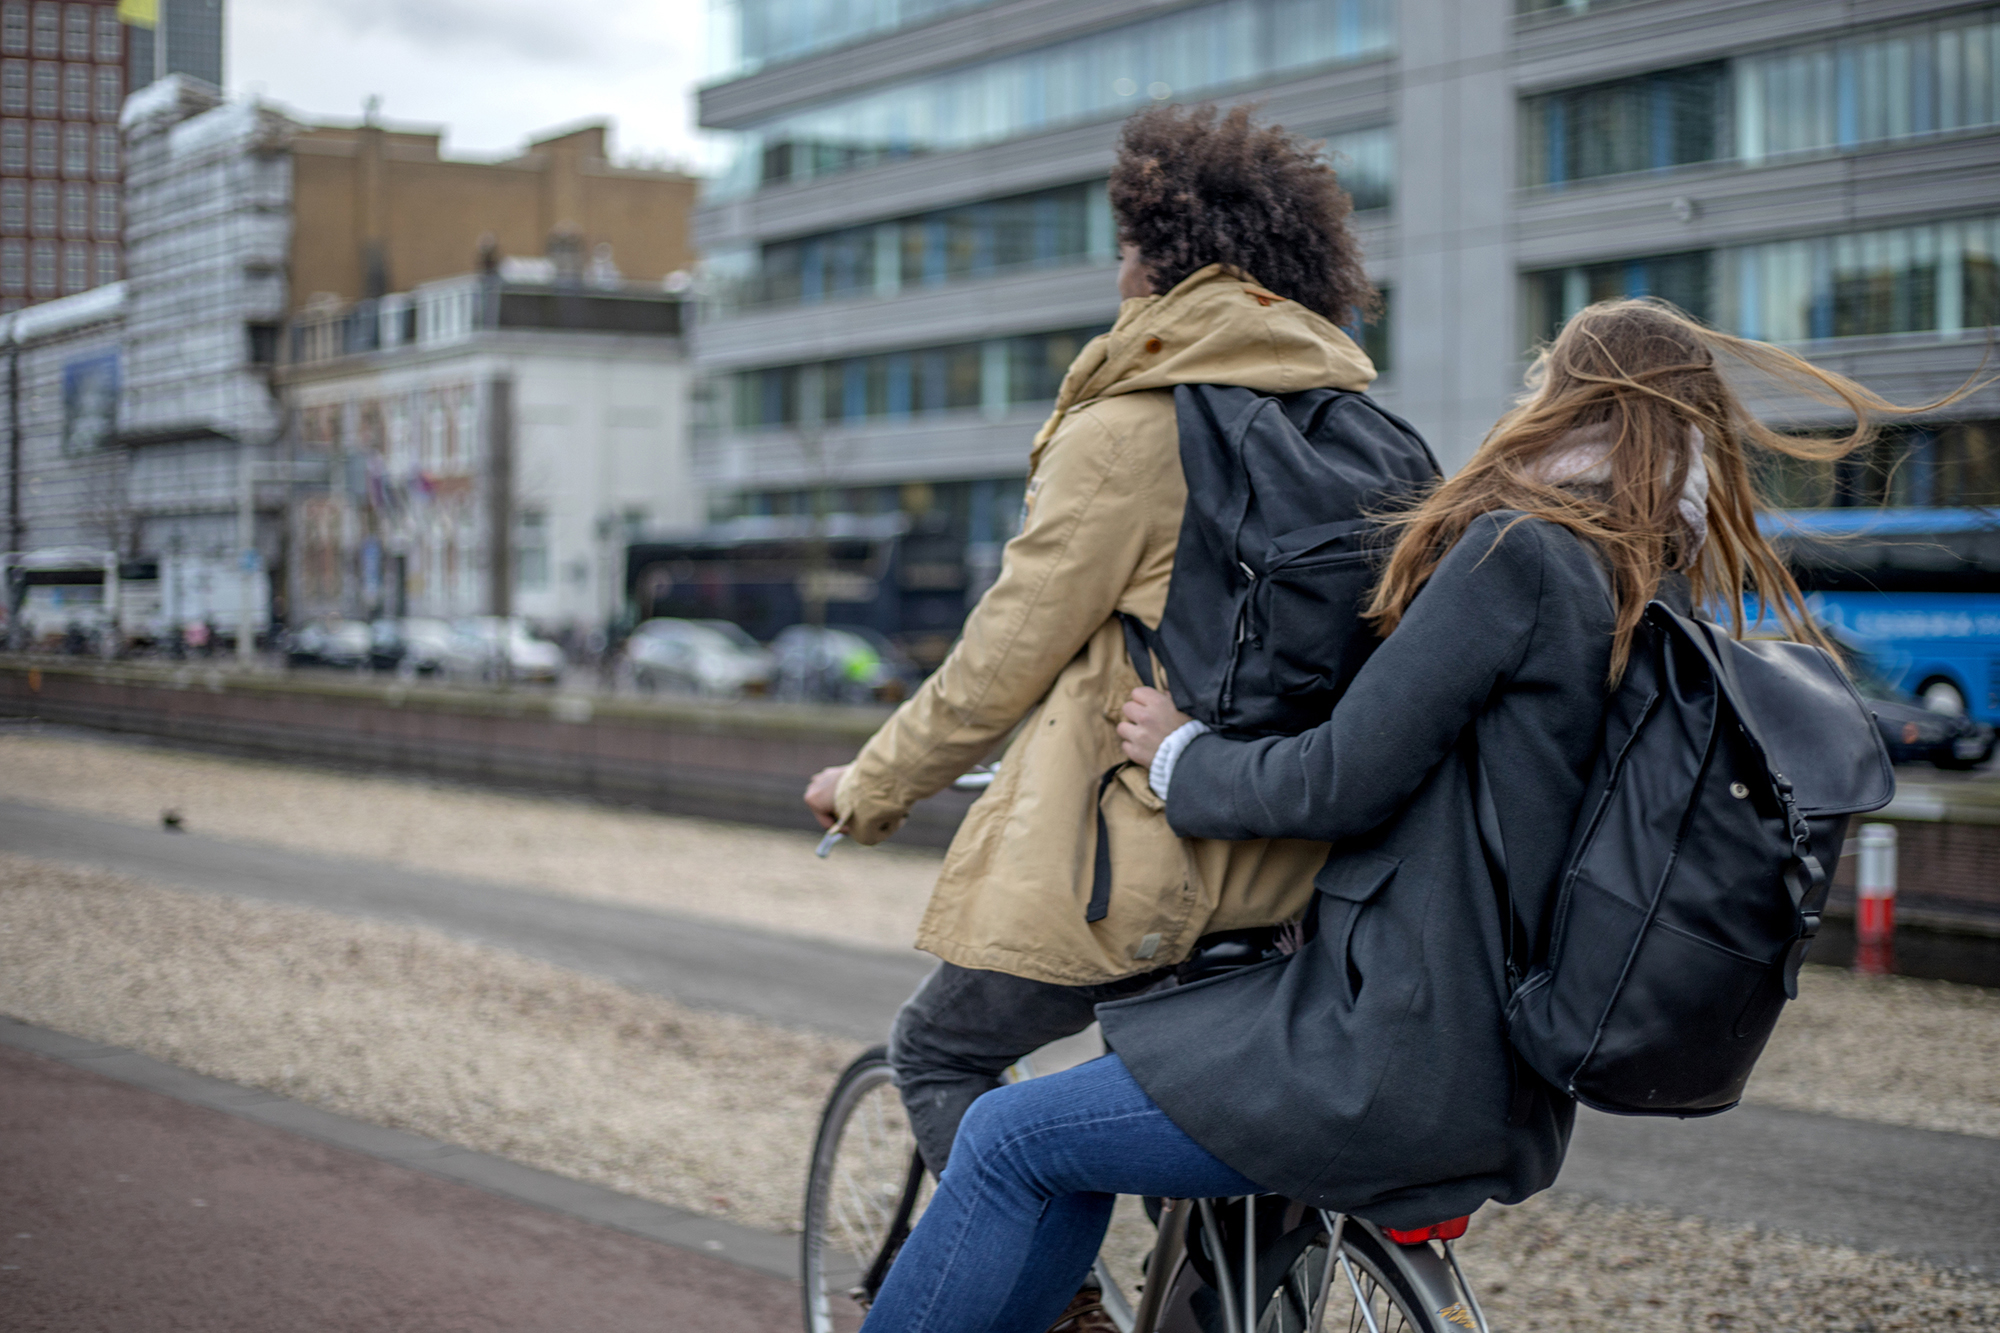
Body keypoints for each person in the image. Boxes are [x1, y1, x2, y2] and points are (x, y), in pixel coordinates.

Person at [854, 296, 1948, 1331]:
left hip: (1379, 1057)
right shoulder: (1649, 590)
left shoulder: (1517, 551)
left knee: (1007, 1138)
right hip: (1504, 1082)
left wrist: (1181, 754)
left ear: (1563, 401)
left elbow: (1341, 775)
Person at [801, 104, 1383, 1323]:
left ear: (1170, 260)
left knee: (943, 1050)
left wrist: (869, 783)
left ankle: (1054, 1298)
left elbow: (998, 662)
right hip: (1309, 861)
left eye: (1124, 246)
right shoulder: (1358, 426)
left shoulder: (1136, 425)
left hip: (1157, 865)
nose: (1114, 274)